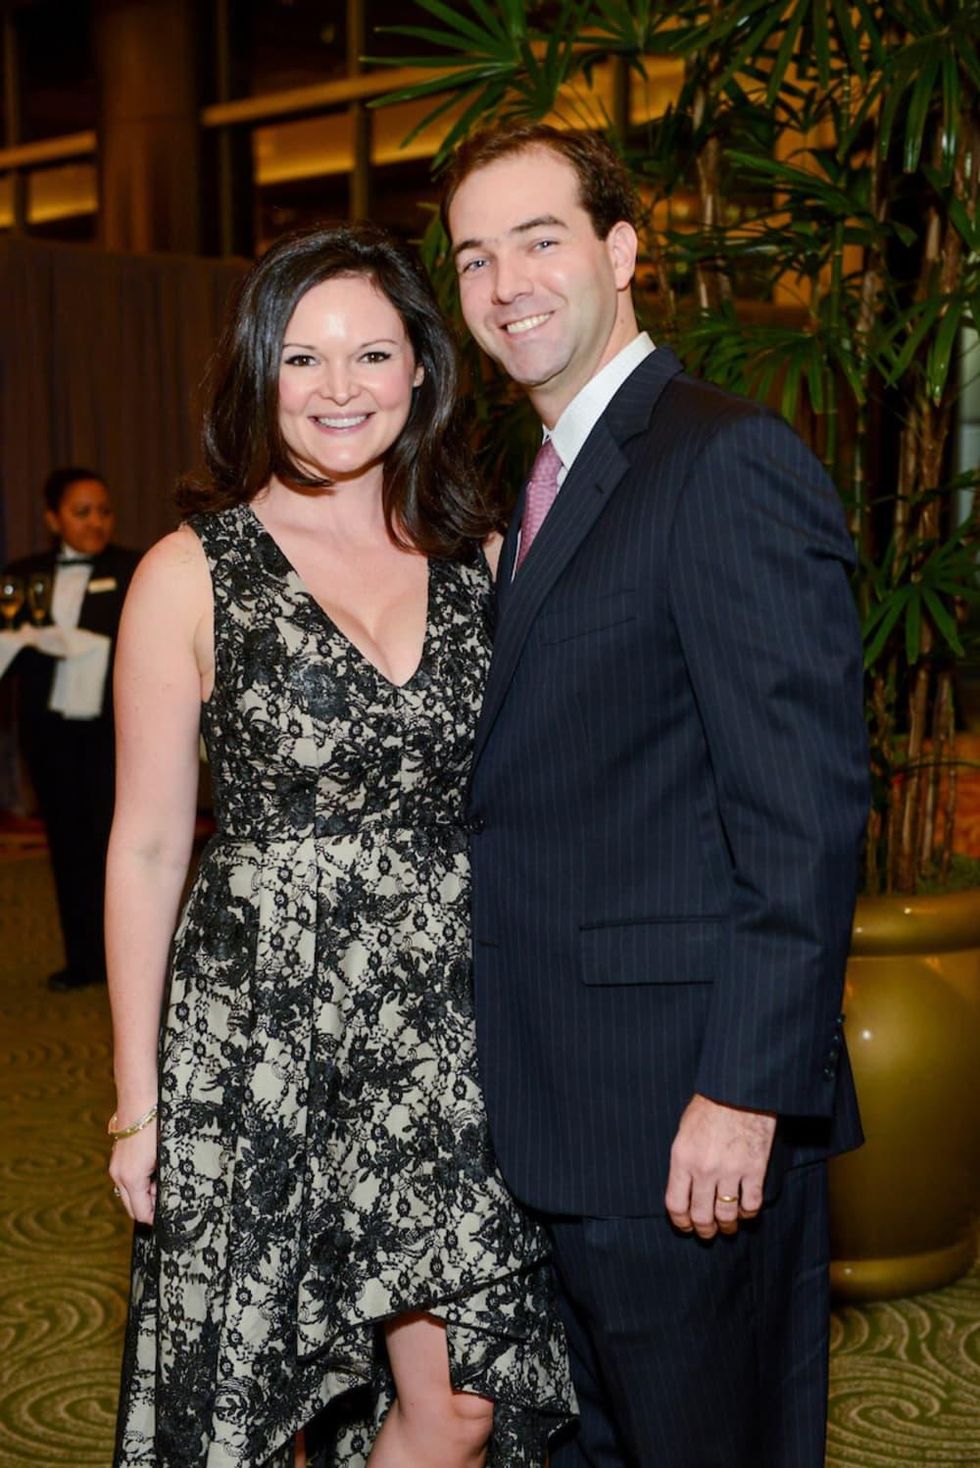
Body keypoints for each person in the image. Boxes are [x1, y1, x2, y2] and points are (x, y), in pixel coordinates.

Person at [106, 222, 573, 1468]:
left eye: (371, 354)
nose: (339, 389)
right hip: (260, 1033)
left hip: (442, 1031)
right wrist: (136, 1106)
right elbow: (147, 849)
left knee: (460, 1399)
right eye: (304, 360)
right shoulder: (188, 573)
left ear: (421, 368)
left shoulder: (484, 562)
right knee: (252, 1412)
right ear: (260, 372)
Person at [444, 121, 869, 1468]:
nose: (505, 281)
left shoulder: (721, 461)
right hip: (558, 1110)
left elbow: (803, 809)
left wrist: (744, 1091)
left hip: (684, 1119)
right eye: (472, 257)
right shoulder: (523, 487)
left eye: (540, 238)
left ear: (626, 251)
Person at [3, 468, 140, 990]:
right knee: (68, 848)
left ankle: (128, 961)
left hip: (116, 736)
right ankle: (81, 961)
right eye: (82, 512)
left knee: (121, 850)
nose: (96, 522)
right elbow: (8, 661)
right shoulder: (28, 574)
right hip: (52, 737)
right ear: (53, 519)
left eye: (104, 511)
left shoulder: (132, 570)